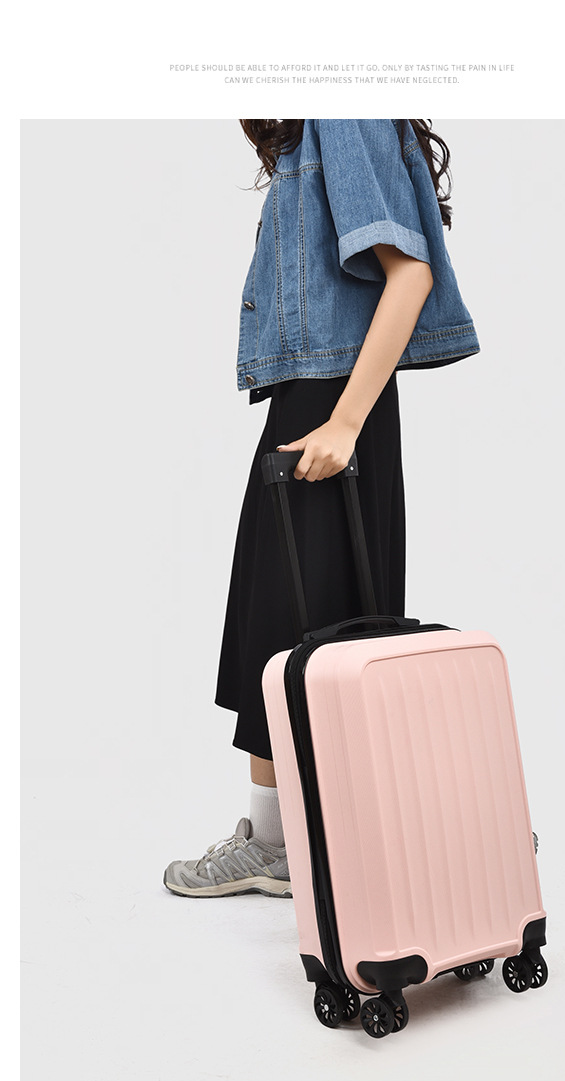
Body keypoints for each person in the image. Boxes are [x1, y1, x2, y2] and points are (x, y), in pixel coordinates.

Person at [163, 118, 480, 897]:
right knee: (284, 624)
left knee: (297, 628)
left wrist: (345, 421)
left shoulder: (345, 107)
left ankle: (287, 846)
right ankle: (298, 838)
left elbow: (410, 275)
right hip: (323, 400)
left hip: (334, 403)